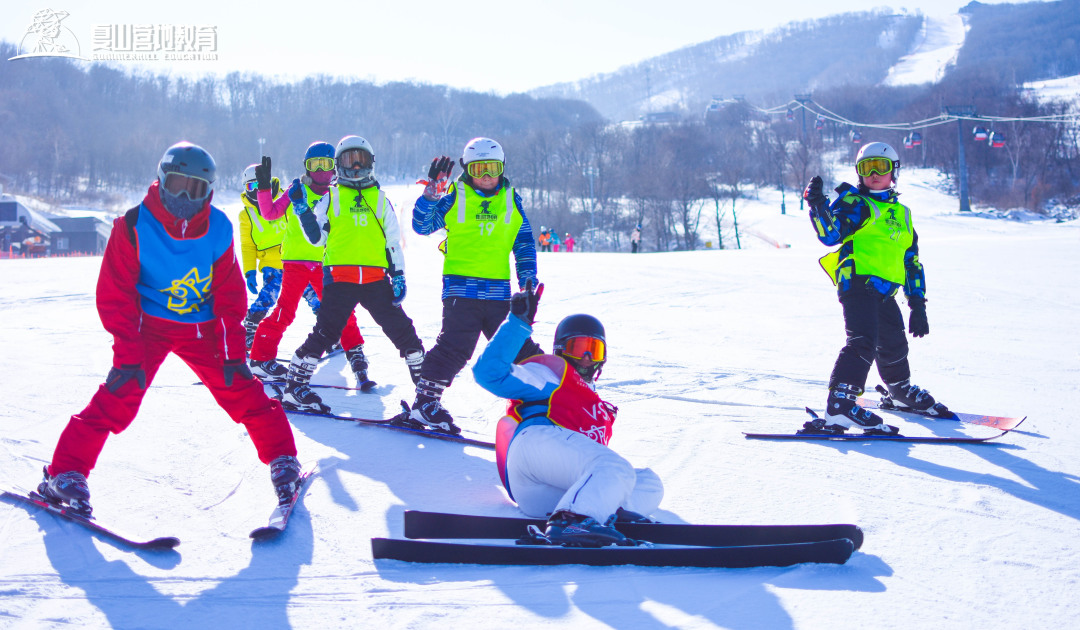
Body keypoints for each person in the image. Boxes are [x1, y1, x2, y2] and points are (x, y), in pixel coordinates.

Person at [37, 142, 302, 516]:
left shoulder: (218, 229)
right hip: (150, 327)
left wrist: (232, 354)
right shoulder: (132, 226)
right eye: (177, 184)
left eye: (194, 188)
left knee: (241, 389)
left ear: (208, 191)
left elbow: (229, 296)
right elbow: (116, 296)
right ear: (161, 180)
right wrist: (128, 356)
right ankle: (64, 472)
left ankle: (283, 458)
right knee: (120, 393)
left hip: (204, 327)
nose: (183, 196)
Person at [472, 282, 664, 546]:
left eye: (593, 349)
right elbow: (488, 373)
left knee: (648, 482)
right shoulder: (550, 375)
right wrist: (517, 324)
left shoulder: (595, 405)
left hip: (551, 495)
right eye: (578, 347)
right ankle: (574, 521)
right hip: (533, 450)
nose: (586, 357)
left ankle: (601, 512)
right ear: (561, 350)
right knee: (614, 468)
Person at [803, 141, 950, 435]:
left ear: (893, 172)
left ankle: (899, 390)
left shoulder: (903, 214)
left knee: (894, 343)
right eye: (865, 168)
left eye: (879, 167)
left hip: (884, 291)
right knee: (863, 341)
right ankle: (840, 406)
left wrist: (917, 304)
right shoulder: (855, 203)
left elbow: (911, 262)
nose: (873, 173)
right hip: (857, 282)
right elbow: (831, 235)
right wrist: (818, 205)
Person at [407, 137, 543, 434]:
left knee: (518, 347)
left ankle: (545, 397)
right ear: (468, 169)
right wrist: (431, 195)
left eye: (492, 168)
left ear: (502, 168)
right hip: (461, 291)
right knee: (455, 347)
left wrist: (528, 281)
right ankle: (425, 402)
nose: (486, 175)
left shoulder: (511, 198)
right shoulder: (454, 194)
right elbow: (422, 226)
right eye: (479, 168)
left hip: (499, 294)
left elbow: (523, 243)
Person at [282, 135, 426, 412]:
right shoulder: (331, 198)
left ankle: (426, 395)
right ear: (339, 165)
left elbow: (392, 242)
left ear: (371, 163)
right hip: (340, 279)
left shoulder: (381, 200)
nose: (356, 167)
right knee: (325, 332)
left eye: (361, 160)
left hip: (375, 281)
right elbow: (316, 239)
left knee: (403, 332)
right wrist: (301, 210)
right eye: (349, 160)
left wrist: (398, 276)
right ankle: (295, 387)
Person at [248, 143, 366, 385]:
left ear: (335, 167)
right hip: (295, 263)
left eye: (327, 164)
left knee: (341, 310)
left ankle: (355, 353)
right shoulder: (296, 190)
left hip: (326, 263)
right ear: (307, 168)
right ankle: (260, 358)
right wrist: (263, 188)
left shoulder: (338, 194)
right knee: (285, 311)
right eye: (315, 165)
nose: (321, 171)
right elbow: (270, 213)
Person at [237, 163, 322, 349]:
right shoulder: (247, 215)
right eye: (251, 187)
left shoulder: (284, 199)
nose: (256, 191)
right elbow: (247, 245)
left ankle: (328, 328)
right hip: (271, 261)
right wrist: (249, 271)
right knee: (271, 293)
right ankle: (250, 328)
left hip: (294, 257)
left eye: (259, 186)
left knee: (313, 293)